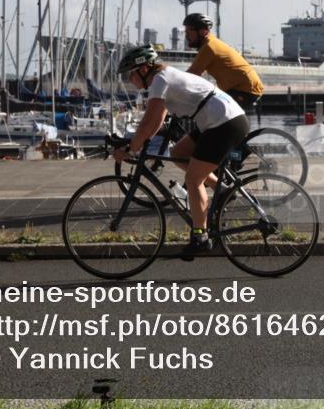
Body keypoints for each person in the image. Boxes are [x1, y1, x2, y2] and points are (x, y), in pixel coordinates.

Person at [113, 45, 248, 260]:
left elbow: (151, 123)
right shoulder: (163, 79)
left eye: (130, 73)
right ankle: (221, 191)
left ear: (144, 68)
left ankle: (200, 236)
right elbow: (154, 122)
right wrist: (136, 142)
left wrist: (131, 148)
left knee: (193, 179)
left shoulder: (160, 80)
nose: (130, 79)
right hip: (218, 121)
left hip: (225, 123)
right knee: (179, 151)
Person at [183, 13, 264, 110]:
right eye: (185, 32)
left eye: (189, 32)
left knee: (209, 114)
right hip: (240, 88)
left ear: (203, 31)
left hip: (243, 90)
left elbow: (192, 74)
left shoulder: (209, 47)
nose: (186, 36)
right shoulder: (210, 44)